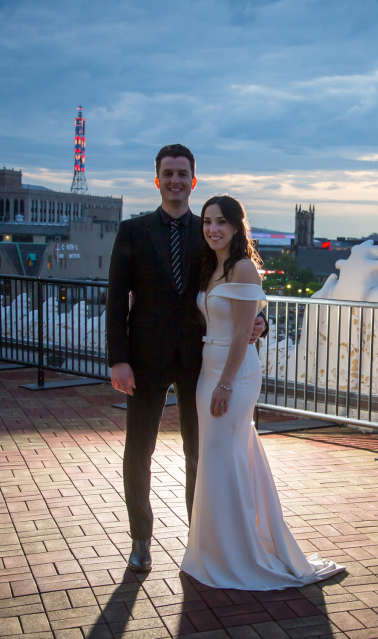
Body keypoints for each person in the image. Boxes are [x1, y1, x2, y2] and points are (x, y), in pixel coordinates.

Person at [105, 145, 265, 572]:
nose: (175, 180)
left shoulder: (209, 229)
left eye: (183, 173)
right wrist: (118, 358)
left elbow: (237, 277)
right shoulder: (133, 231)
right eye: (168, 173)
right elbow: (116, 298)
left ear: (193, 180)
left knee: (201, 453)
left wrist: (261, 319)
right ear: (156, 179)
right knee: (138, 451)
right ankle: (141, 538)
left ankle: (200, 539)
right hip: (144, 360)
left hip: (199, 361)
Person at [179, 195, 345, 590]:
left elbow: (242, 332)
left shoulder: (242, 269)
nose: (212, 229)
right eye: (206, 222)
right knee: (221, 457)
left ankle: (239, 555)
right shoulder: (212, 266)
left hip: (233, 374)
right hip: (209, 369)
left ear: (237, 227)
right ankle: (216, 549)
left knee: (225, 458)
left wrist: (224, 383)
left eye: (221, 222)